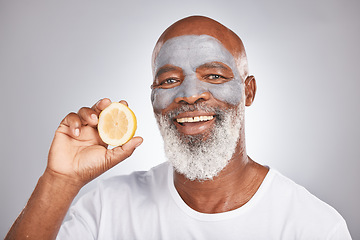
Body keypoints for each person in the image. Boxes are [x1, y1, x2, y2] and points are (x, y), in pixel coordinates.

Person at [6, 16, 352, 240]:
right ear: (154, 97)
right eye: (170, 80)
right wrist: (60, 181)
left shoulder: (314, 226)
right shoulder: (106, 210)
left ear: (248, 91)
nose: (188, 95)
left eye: (214, 75)